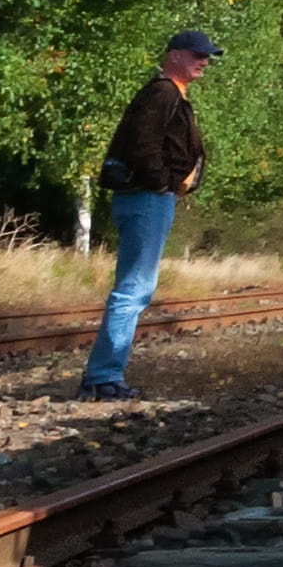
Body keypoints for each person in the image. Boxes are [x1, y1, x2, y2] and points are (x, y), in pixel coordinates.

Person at [78, 30, 217, 401]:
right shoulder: (163, 92)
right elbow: (143, 143)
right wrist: (160, 184)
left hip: (148, 197)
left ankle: (104, 375)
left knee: (135, 287)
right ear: (174, 55)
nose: (204, 61)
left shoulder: (171, 93)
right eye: (196, 54)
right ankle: (104, 378)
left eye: (207, 56)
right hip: (146, 198)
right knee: (134, 288)